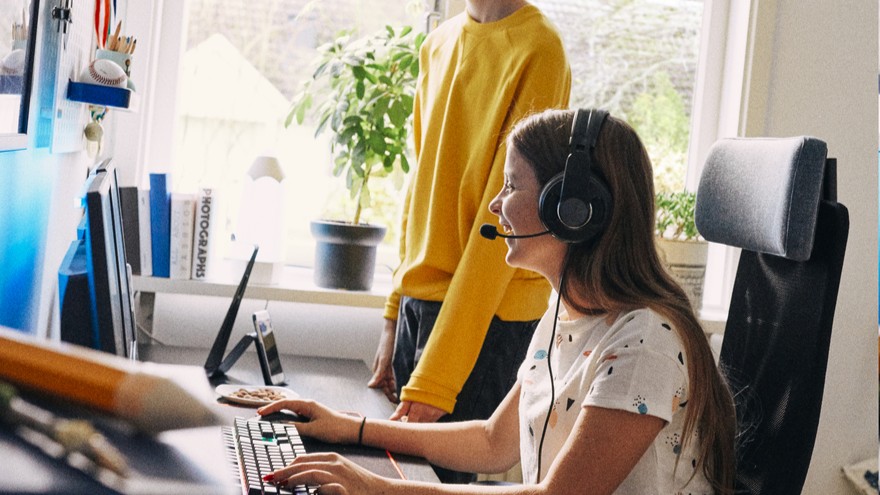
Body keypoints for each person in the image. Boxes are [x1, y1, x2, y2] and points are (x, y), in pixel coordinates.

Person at [258, 108, 737, 494]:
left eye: (511, 185)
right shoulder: (565, 312)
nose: (495, 203)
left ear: (571, 210)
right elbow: (493, 442)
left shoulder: (644, 343)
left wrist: (377, 489)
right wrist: (352, 427)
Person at [368, 0, 571, 483]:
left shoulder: (540, 46)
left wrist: (440, 373)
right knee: (396, 477)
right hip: (423, 308)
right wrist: (393, 316)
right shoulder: (437, 44)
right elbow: (419, 193)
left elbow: (500, 222)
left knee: (422, 487)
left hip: (486, 319)